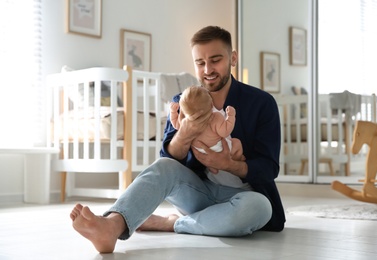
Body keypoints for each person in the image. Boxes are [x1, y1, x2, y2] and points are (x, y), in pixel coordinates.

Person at [70, 25, 285, 253]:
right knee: (162, 166)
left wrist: (228, 164)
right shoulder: (183, 101)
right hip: (198, 193)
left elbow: (268, 168)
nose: (208, 69)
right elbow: (168, 163)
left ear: (232, 58)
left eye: (215, 60)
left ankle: (172, 223)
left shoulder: (262, 103)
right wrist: (185, 132)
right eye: (200, 63)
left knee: (261, 207)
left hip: (244, 197)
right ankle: (111, 226)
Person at [169, 85, 244, 161]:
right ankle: (237, 158)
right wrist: (231, 115)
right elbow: (225, 132)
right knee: (236, 142)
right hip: (217, 149)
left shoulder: (185, 122)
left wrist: (173, 112)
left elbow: (175, 124)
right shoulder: (215, 118)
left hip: (199, 151)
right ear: (212, 105)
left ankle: (211, 167)